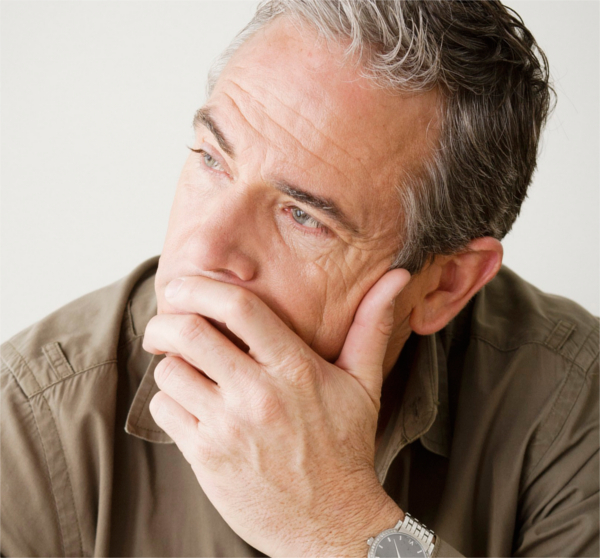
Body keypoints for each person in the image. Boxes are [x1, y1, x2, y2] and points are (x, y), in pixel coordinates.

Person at [1, 1, 598, 556]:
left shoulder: (570, 403)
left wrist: (343, 524)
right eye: (212, 159)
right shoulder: (28, 425)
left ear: (444, 286)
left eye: (303, 216)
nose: (201, 250)